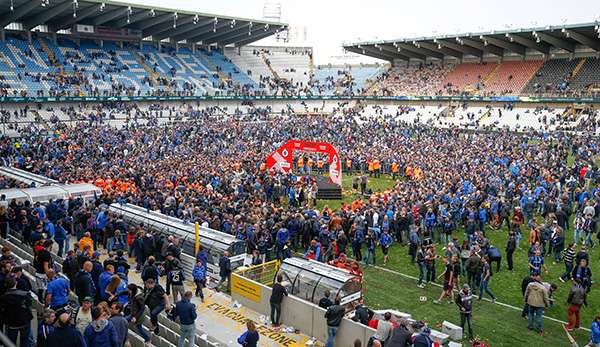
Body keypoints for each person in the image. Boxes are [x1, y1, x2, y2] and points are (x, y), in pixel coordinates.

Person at [0, 276, 33, 347]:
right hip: (24, 322)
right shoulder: (25, 294)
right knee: (25, 341)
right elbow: (29, 305)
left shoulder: (3, 298)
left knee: (10, 342)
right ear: (16, 283)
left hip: (11, 323)